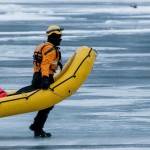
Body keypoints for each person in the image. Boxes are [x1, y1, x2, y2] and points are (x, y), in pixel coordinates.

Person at [29, 25, 63, 138]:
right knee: (48, 104)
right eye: (58, 36)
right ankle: (37, 128)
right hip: (43, 77)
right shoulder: (51, 49)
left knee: (47, 104)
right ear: (52, 36)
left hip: (36, 77)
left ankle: (37, 127)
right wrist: (45, 79)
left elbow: (43, 62)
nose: (60, 39)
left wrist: (56, 64)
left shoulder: (42, 46)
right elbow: (45, 65)